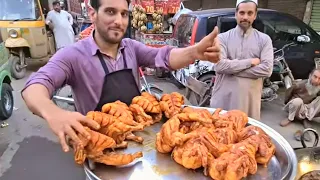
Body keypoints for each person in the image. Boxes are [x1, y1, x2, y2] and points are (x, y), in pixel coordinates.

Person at [21, 0, 221, 153]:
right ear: (93, 14)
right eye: (110, 12)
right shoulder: (72, 56)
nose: (119, 21)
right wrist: (54, 113)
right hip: (101, 149)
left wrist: (195, 52)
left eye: (124, 14)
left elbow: (164, 56)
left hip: (141, 141)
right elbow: (35, 86)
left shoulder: (131, 48)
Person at [210, 0, 274, 120]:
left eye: (250, 13)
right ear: (236, 14)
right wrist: (249, 62)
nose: (245, 17)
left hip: (249, 103)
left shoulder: (264, 40)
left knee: (246, 134)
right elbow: (219, 66)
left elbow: (267, 70)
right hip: (224, 101)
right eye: (242, 12)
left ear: (255, 15)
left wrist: (232, 69)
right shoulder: (222, 38)